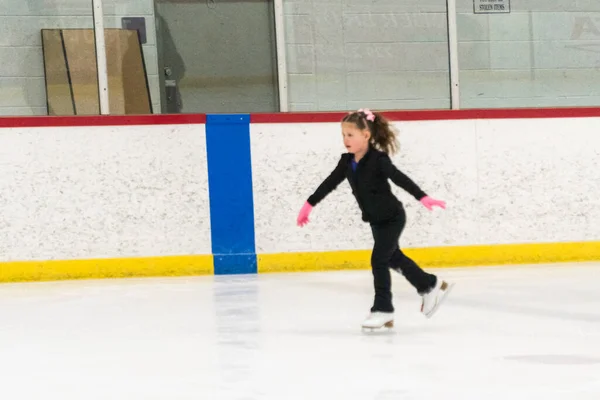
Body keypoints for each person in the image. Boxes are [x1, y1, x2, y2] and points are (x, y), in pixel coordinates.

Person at [296, 108, 453, 330]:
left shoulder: (378, 160)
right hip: (376, 220)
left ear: (366, 135)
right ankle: (430, 284)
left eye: (350, 135)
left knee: (378, 259)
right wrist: (308, 204)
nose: (345, 140)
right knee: (392, 257)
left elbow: (399, 178)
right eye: (343, 135)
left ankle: (383, 309)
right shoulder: (346, 162)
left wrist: (423, 197)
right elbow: (329, 183)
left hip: (392, 217)